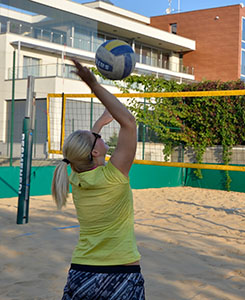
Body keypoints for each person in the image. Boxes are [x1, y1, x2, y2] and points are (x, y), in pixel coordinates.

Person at [51, 59, 144, 299]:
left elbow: (89, 154)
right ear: (94, 151)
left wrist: (100, 124)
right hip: (120, 274)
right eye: (96, 136)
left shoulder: (75, 178)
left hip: (81, 272)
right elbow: (129, 123)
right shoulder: (115, 175)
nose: (99, 136)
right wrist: (93, 84)